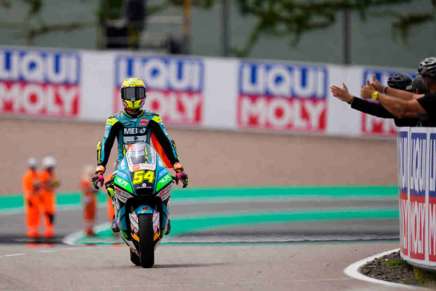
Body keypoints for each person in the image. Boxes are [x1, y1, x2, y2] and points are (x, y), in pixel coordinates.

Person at [93, 77, 189, 234]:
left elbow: (166, 141)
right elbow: (106, 144)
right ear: (122, 95)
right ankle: (118, 213)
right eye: (129, 93)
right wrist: (100, 169)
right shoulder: (114, 120)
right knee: (111, 185)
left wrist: (177, 166)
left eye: (137, 93)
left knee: (165, 182)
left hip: (149, 161)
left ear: (144, 95)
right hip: (123, 165)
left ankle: (166, 213)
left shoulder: (152, 118)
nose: (133, 97)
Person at [358, 57, 436, 126]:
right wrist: (382, 89)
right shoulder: (430, 97)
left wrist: (374, 95)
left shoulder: (432, 99)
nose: (422, 78)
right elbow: (411, 97)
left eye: (423, 75)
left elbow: (403, 108)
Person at [330, 73, 426, 126]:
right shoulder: (413, 107)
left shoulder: (426, 106)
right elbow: (378, 109)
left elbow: (380, 109)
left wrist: (375, 94)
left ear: (417, 91)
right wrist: (349, 98)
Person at [39, 156, 60, 238]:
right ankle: (48, 231)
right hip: (44, 197)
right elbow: (44, 185)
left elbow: (53, 184)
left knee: (51, 214)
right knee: (47, 215)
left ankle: (50, 230)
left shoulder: (51, 174)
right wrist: (52, 184)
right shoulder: (43, 174)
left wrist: (55, 184)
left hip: (50, 197)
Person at [22, 158, 41, 239]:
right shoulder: (27, 176)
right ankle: (31, 230)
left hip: (36, 198)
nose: (33, 168)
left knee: (37, 214)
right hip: (30, 198)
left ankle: (35, 229)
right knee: (31, 215)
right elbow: (28, 188)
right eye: (32, 166)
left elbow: (39, 186)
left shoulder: (37, 175)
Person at [81, 165, 98, 236]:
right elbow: (85, 189)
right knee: (88, 215)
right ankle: (88, 230)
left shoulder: (90, 180)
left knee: (92, 214)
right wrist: (92, 189)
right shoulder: (85, 180)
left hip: (91, 198)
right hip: (87, 198)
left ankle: (90, 229)